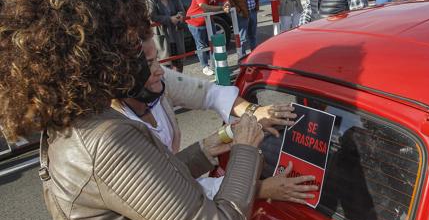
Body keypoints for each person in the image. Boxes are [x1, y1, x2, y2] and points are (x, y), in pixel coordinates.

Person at [0, 0, 264, 220]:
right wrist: (245, 147)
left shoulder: (73, 123)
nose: (143, 50)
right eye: (130, 41)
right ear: (94, 53)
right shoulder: (105, 137)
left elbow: (131, 193)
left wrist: (199, 152)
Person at [114, 38, 318, 203]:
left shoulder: (158, 80)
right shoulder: (115, 133)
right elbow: (167, 194)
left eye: (157, 59)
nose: (160, 70)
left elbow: (208, 93)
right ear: (119, 73)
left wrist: (254, 111)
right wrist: (259, 189)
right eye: (149, 63)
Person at [186, 0, 231, 76]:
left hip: (209, 20)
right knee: (202, 45)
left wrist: (227, 5)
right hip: (195, 22)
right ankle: (205, 66)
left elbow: (226, 0)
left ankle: (217, 64)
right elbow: (204, 7)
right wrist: (221, 7)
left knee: (215, 42)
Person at [146, 0, 186, 72]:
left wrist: (180, 15)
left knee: (179, 62)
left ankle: (179, 84)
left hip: (176, 34)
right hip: (163, 35)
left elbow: (181, 9)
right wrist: (169, 19)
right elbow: (152, 16)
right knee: (166, 65)